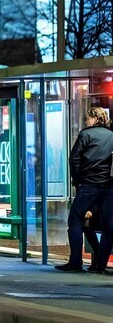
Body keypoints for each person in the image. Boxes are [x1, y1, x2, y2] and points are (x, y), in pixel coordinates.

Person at [56, 107, 113, 273]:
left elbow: (74, 159)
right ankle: (100, 266)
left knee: (75, 220)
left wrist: (77, 180)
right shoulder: (112, 136)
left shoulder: (85, 134)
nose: (85, 122)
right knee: (109, 227)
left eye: (87, 119)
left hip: (88, 185)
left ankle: (75, 262)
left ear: (94, 118)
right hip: (108, 187)